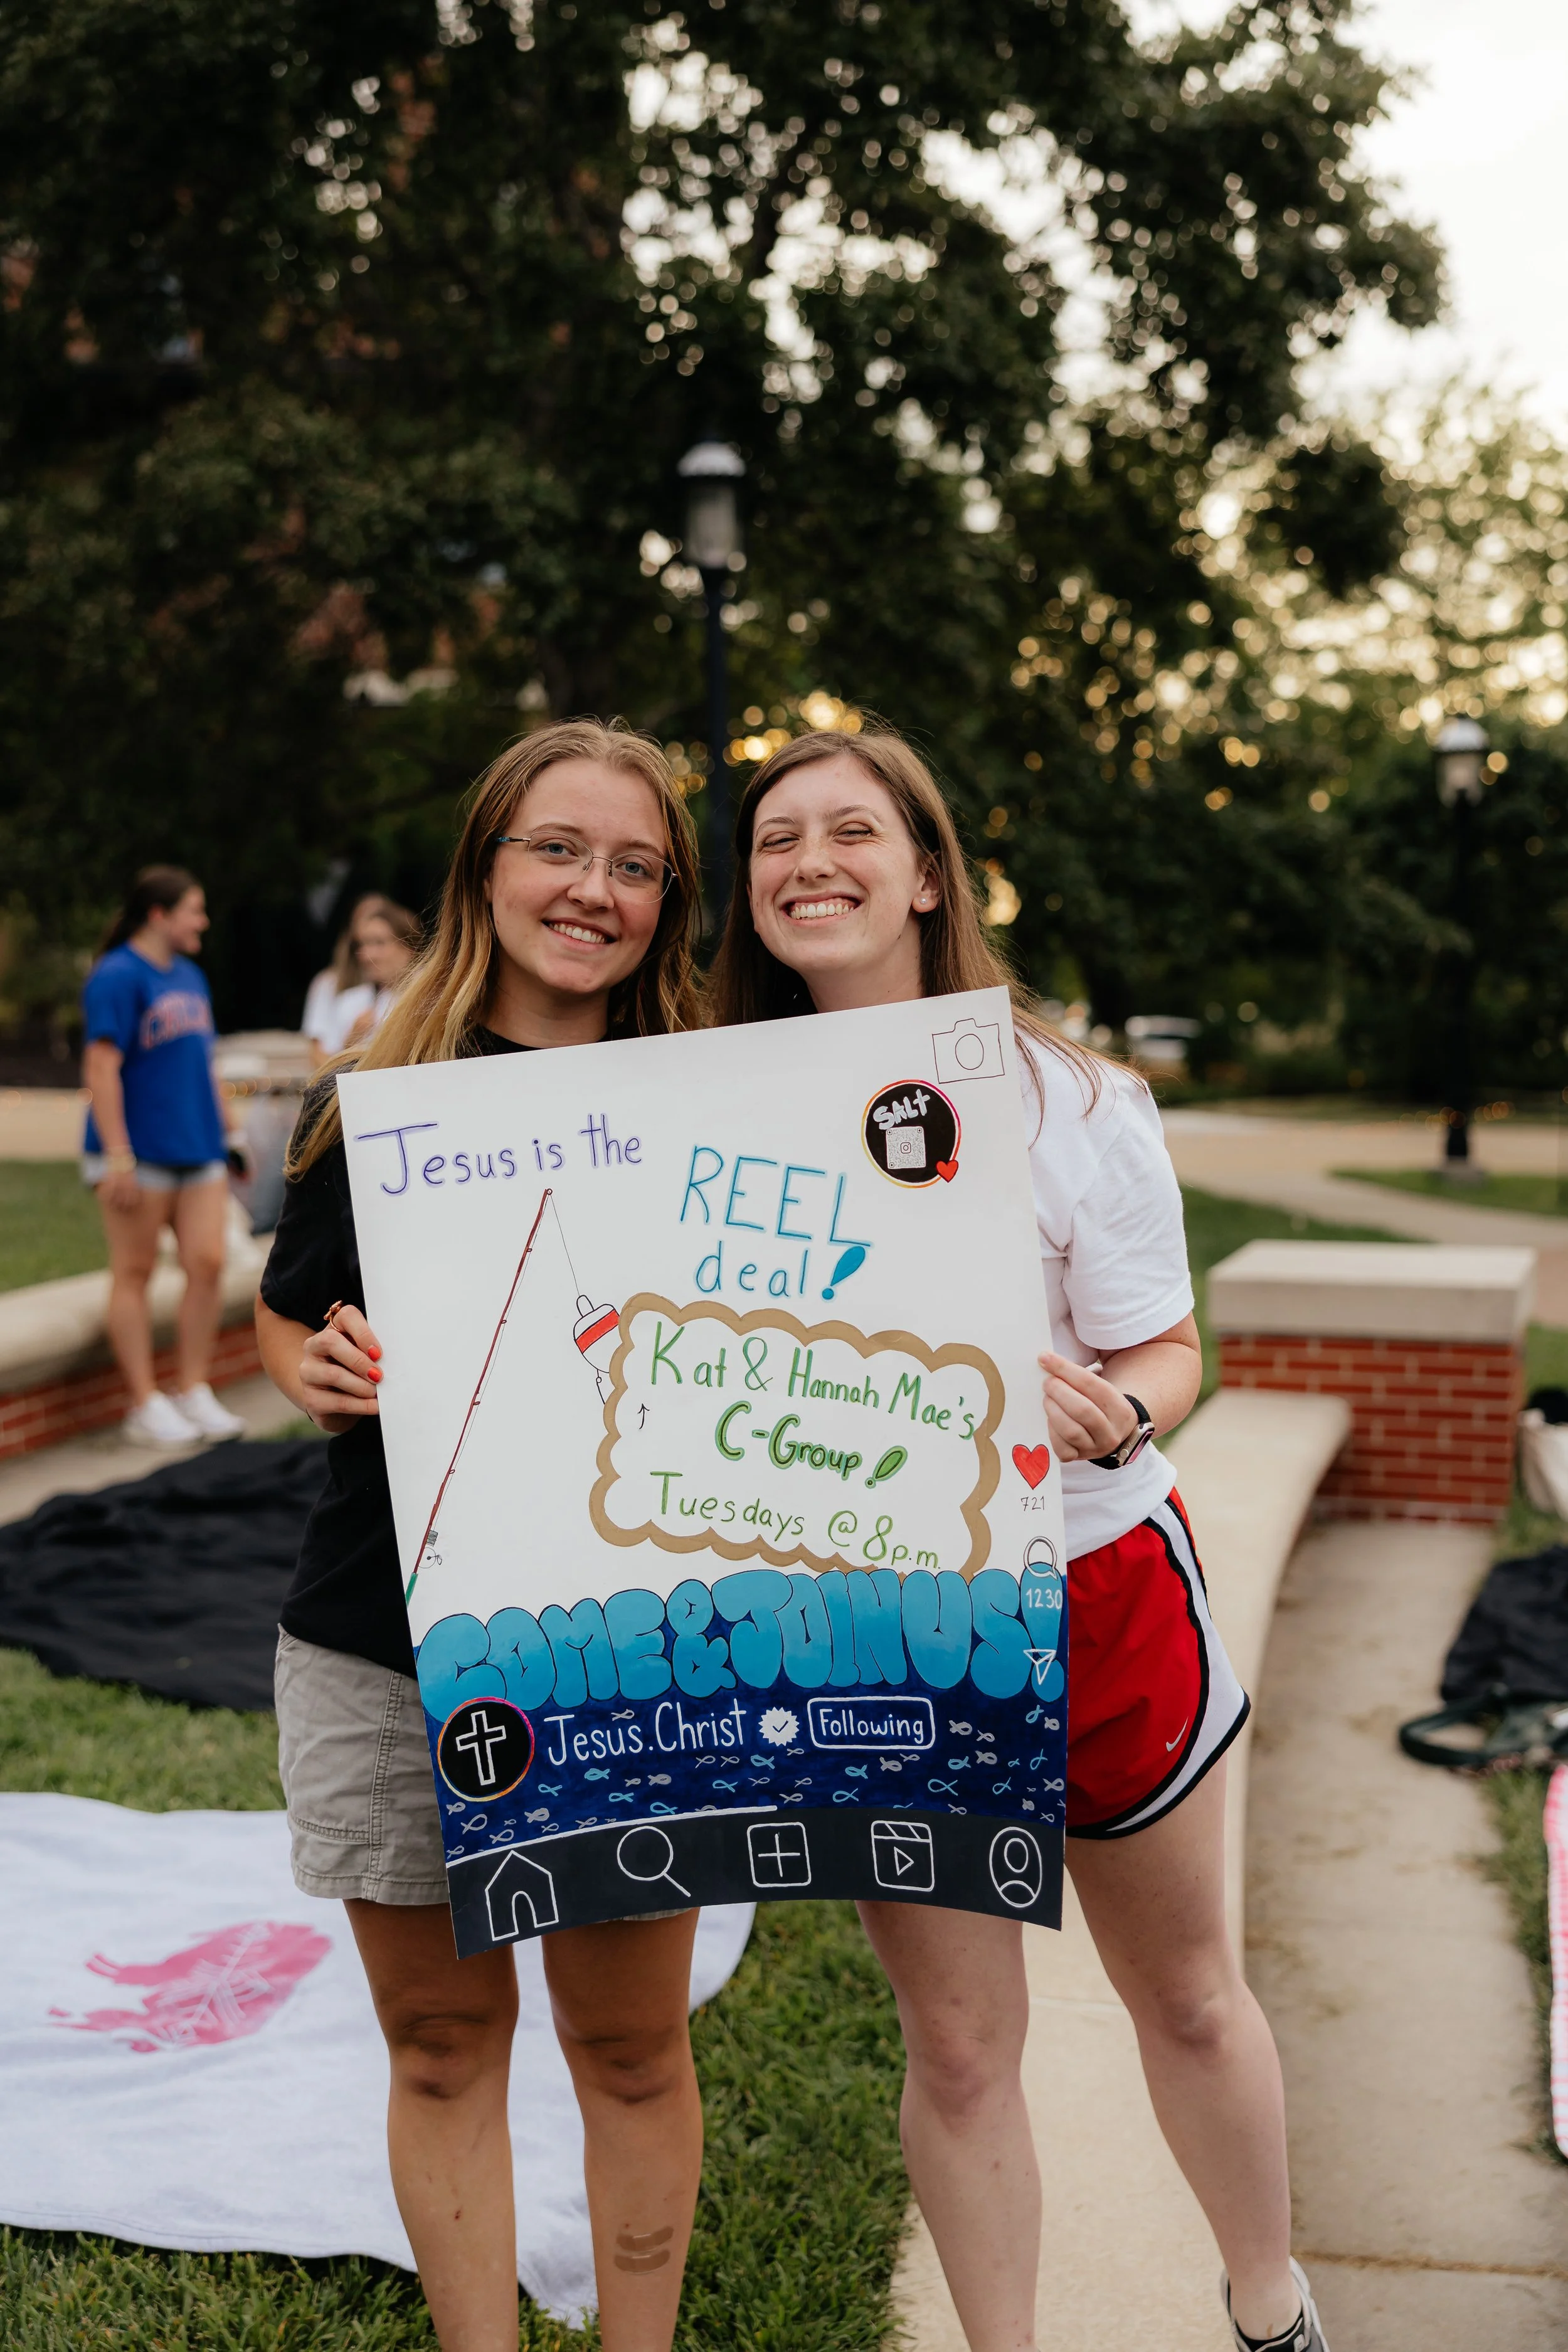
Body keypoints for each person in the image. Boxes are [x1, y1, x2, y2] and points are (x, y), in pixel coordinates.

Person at [709, 725, 1330, 2352]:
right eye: (775, 839)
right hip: (879, 1619)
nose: (809, 861)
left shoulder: (1071, 1097)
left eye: (852, 828)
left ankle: (1272, 2307)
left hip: (1098, 1584)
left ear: (928, 871)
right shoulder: (696, 1116)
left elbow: (1165, 1352)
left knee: (1184, 1992)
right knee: (962, 2046)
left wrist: (1118, 1409)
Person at [255, 721, 708, 2352]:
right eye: (558, 848)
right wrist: (305, 1364)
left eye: (635, 863)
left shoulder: (717, 1104)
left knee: (631, 2045)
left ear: (669, 899)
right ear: (486, 867)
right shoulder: (375, 1097)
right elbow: (288, 1307)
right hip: (380, 1636)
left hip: (630, 1651)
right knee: (443, 2041)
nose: (594, 888)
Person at [81, 865, 249, 1448]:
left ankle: (193, 1389)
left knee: (206, 1263)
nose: (202, 921)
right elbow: (101, 1067)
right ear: (159, 914)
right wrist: (118, 1156)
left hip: (197, 1145)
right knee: (136, 1272)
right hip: (139, 1151)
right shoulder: (117, 975)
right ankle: (143, 1402)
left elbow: (203, 1062)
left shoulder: (191, 977)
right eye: (194, 910)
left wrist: (231, 1133)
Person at [301, 896, 422, 1064]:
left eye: (379, 943)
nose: (367, 956)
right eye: (363, 945)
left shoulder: (432, 995)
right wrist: (350, 1045)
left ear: (409, 947)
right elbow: (324, 1065)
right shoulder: (350, 1002)